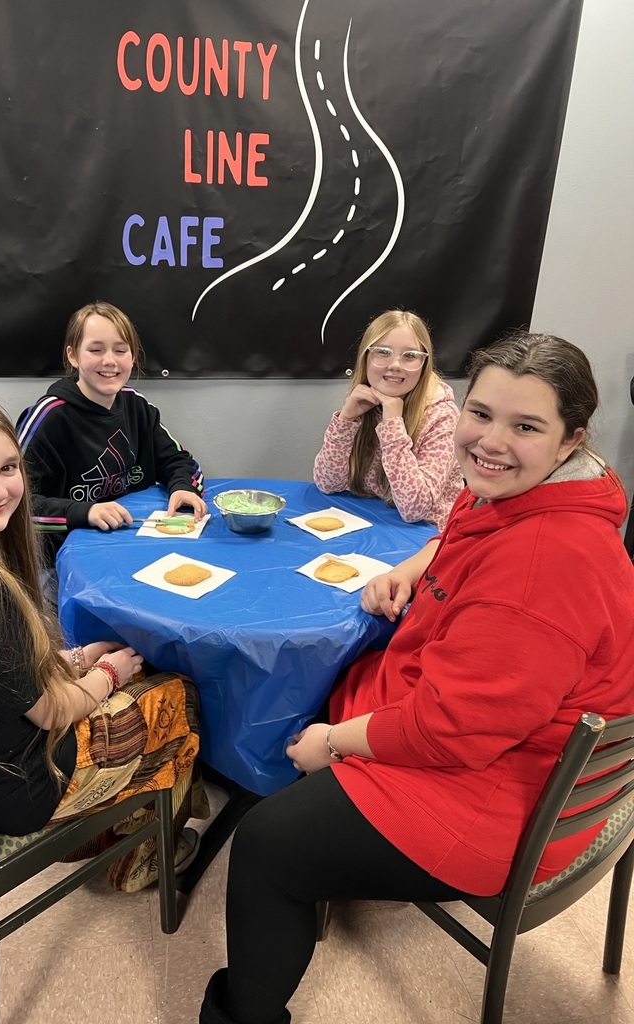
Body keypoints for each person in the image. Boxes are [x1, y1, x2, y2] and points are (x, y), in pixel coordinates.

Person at [200, 331, 634, 1024]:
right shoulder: (529, 491)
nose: (491, 441)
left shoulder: (544, 566)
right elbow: (460, 529)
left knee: (267, 845)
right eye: (482, 414)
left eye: (525, 426)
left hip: (500, 792)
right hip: (503, 736)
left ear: (569, 439)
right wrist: (417, 563)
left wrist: (334, 744)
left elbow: (452, 728)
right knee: (332, 679)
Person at [0, 391, 205, 892]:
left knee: (118, 671)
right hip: (14, 788)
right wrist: (109, 675)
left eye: (8, 467)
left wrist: (75, 658)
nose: (0, 489)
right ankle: (145, 854)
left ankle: (116, 823)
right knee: (178, 693)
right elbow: (50, 713)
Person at [16, 301, 207, 558]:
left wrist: (183, 487)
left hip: (133, 544)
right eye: (95, 349)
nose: (109, 361)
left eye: (120, 350)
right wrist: (86, 511)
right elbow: (16, 504)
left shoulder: (137, 406)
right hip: (62, 561)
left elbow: (178, 460)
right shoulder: (47, 418)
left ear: (132, 357)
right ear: (73, 355)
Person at [313, 309, 463, 530]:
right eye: (383, 352)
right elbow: (328, 483)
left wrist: (392, 426)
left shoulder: (443, 417)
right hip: (374, 523)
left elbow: (415, 509)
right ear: (366, 357)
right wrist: (345, 421)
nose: (395, 365)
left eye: (410, 356)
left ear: (424, 364)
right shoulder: (365, 401)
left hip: (427, 537)